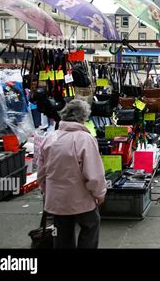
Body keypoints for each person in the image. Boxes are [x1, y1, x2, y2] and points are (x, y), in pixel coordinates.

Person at [37, 100, 107, 249]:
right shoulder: (84, 139)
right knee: (91, 225)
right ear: (83, 117)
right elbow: (94, 174)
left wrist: (45, 190)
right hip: (80, 197)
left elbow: (41, 171)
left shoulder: (50, 138)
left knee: (61, 232)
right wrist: (99, 194)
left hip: (56, 198)